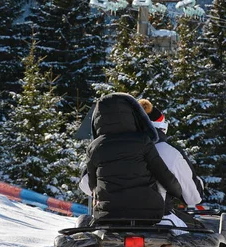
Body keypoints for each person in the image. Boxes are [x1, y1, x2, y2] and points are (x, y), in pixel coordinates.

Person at [81, 93, 182, 223]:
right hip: (149, 213)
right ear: (132, 115)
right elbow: (163, 174)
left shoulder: (94, 147)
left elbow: (92, 184)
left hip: (109, 215)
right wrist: (177, 192)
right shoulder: (143, 141)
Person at [138, 99, 204, 226]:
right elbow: (193, 197)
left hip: (111, 220)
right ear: (161, 128)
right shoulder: (169, 152)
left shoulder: (109, 147)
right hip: (158, 220)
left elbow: (86, 183)